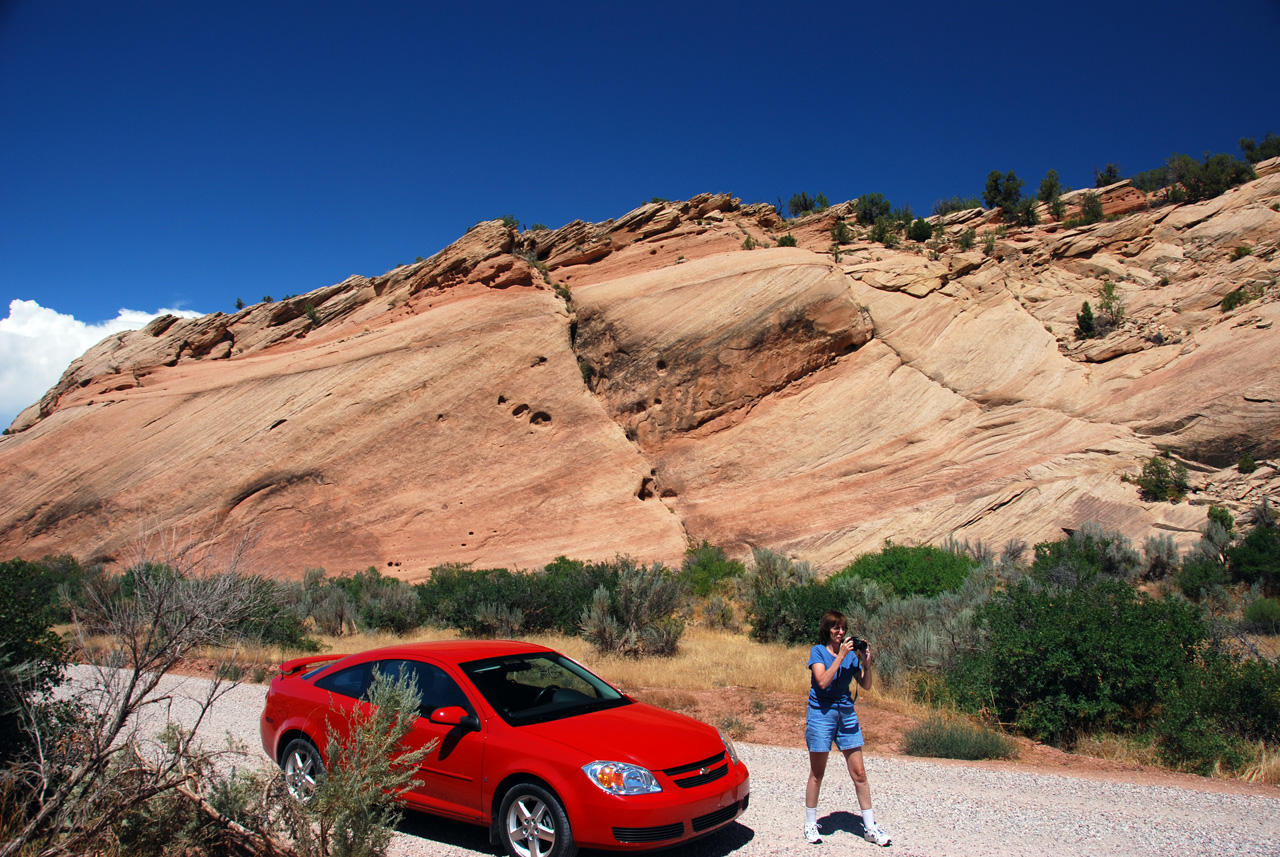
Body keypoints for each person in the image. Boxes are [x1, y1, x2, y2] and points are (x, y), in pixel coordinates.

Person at [803, 610, 890, 847]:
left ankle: (870, 827)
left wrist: (867, 663)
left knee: (859, 773)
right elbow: (822, 682)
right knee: (817, 773)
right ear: (827, 630)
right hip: (821, 713)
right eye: (835, 628)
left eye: (843, 628)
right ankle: (811, 823)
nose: (840, 632)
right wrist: (840, 657)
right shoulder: (818, 652)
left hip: (846, 713)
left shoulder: (851, 656)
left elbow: (866, 685)